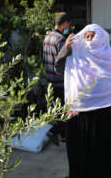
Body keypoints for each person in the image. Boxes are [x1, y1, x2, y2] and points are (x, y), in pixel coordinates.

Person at [55, 24, 111, 178]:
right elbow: (59, 68)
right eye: (86, 36)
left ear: (101, 38)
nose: (88, 40)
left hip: (101, 117)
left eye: (92, 36)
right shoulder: (75, 55)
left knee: (101, 155)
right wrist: (65, 49)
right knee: (77, 155)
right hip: (77, 116)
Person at [43, 12, 71, 145]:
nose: (68, 27)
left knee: (57, 108)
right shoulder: (60, 40)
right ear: (65, 23)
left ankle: (55, 132)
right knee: (63, 109)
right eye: (68, 24)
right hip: (60, 80)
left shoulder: (47, 38)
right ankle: (60, 134)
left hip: (50, 79)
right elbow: (62, 60)